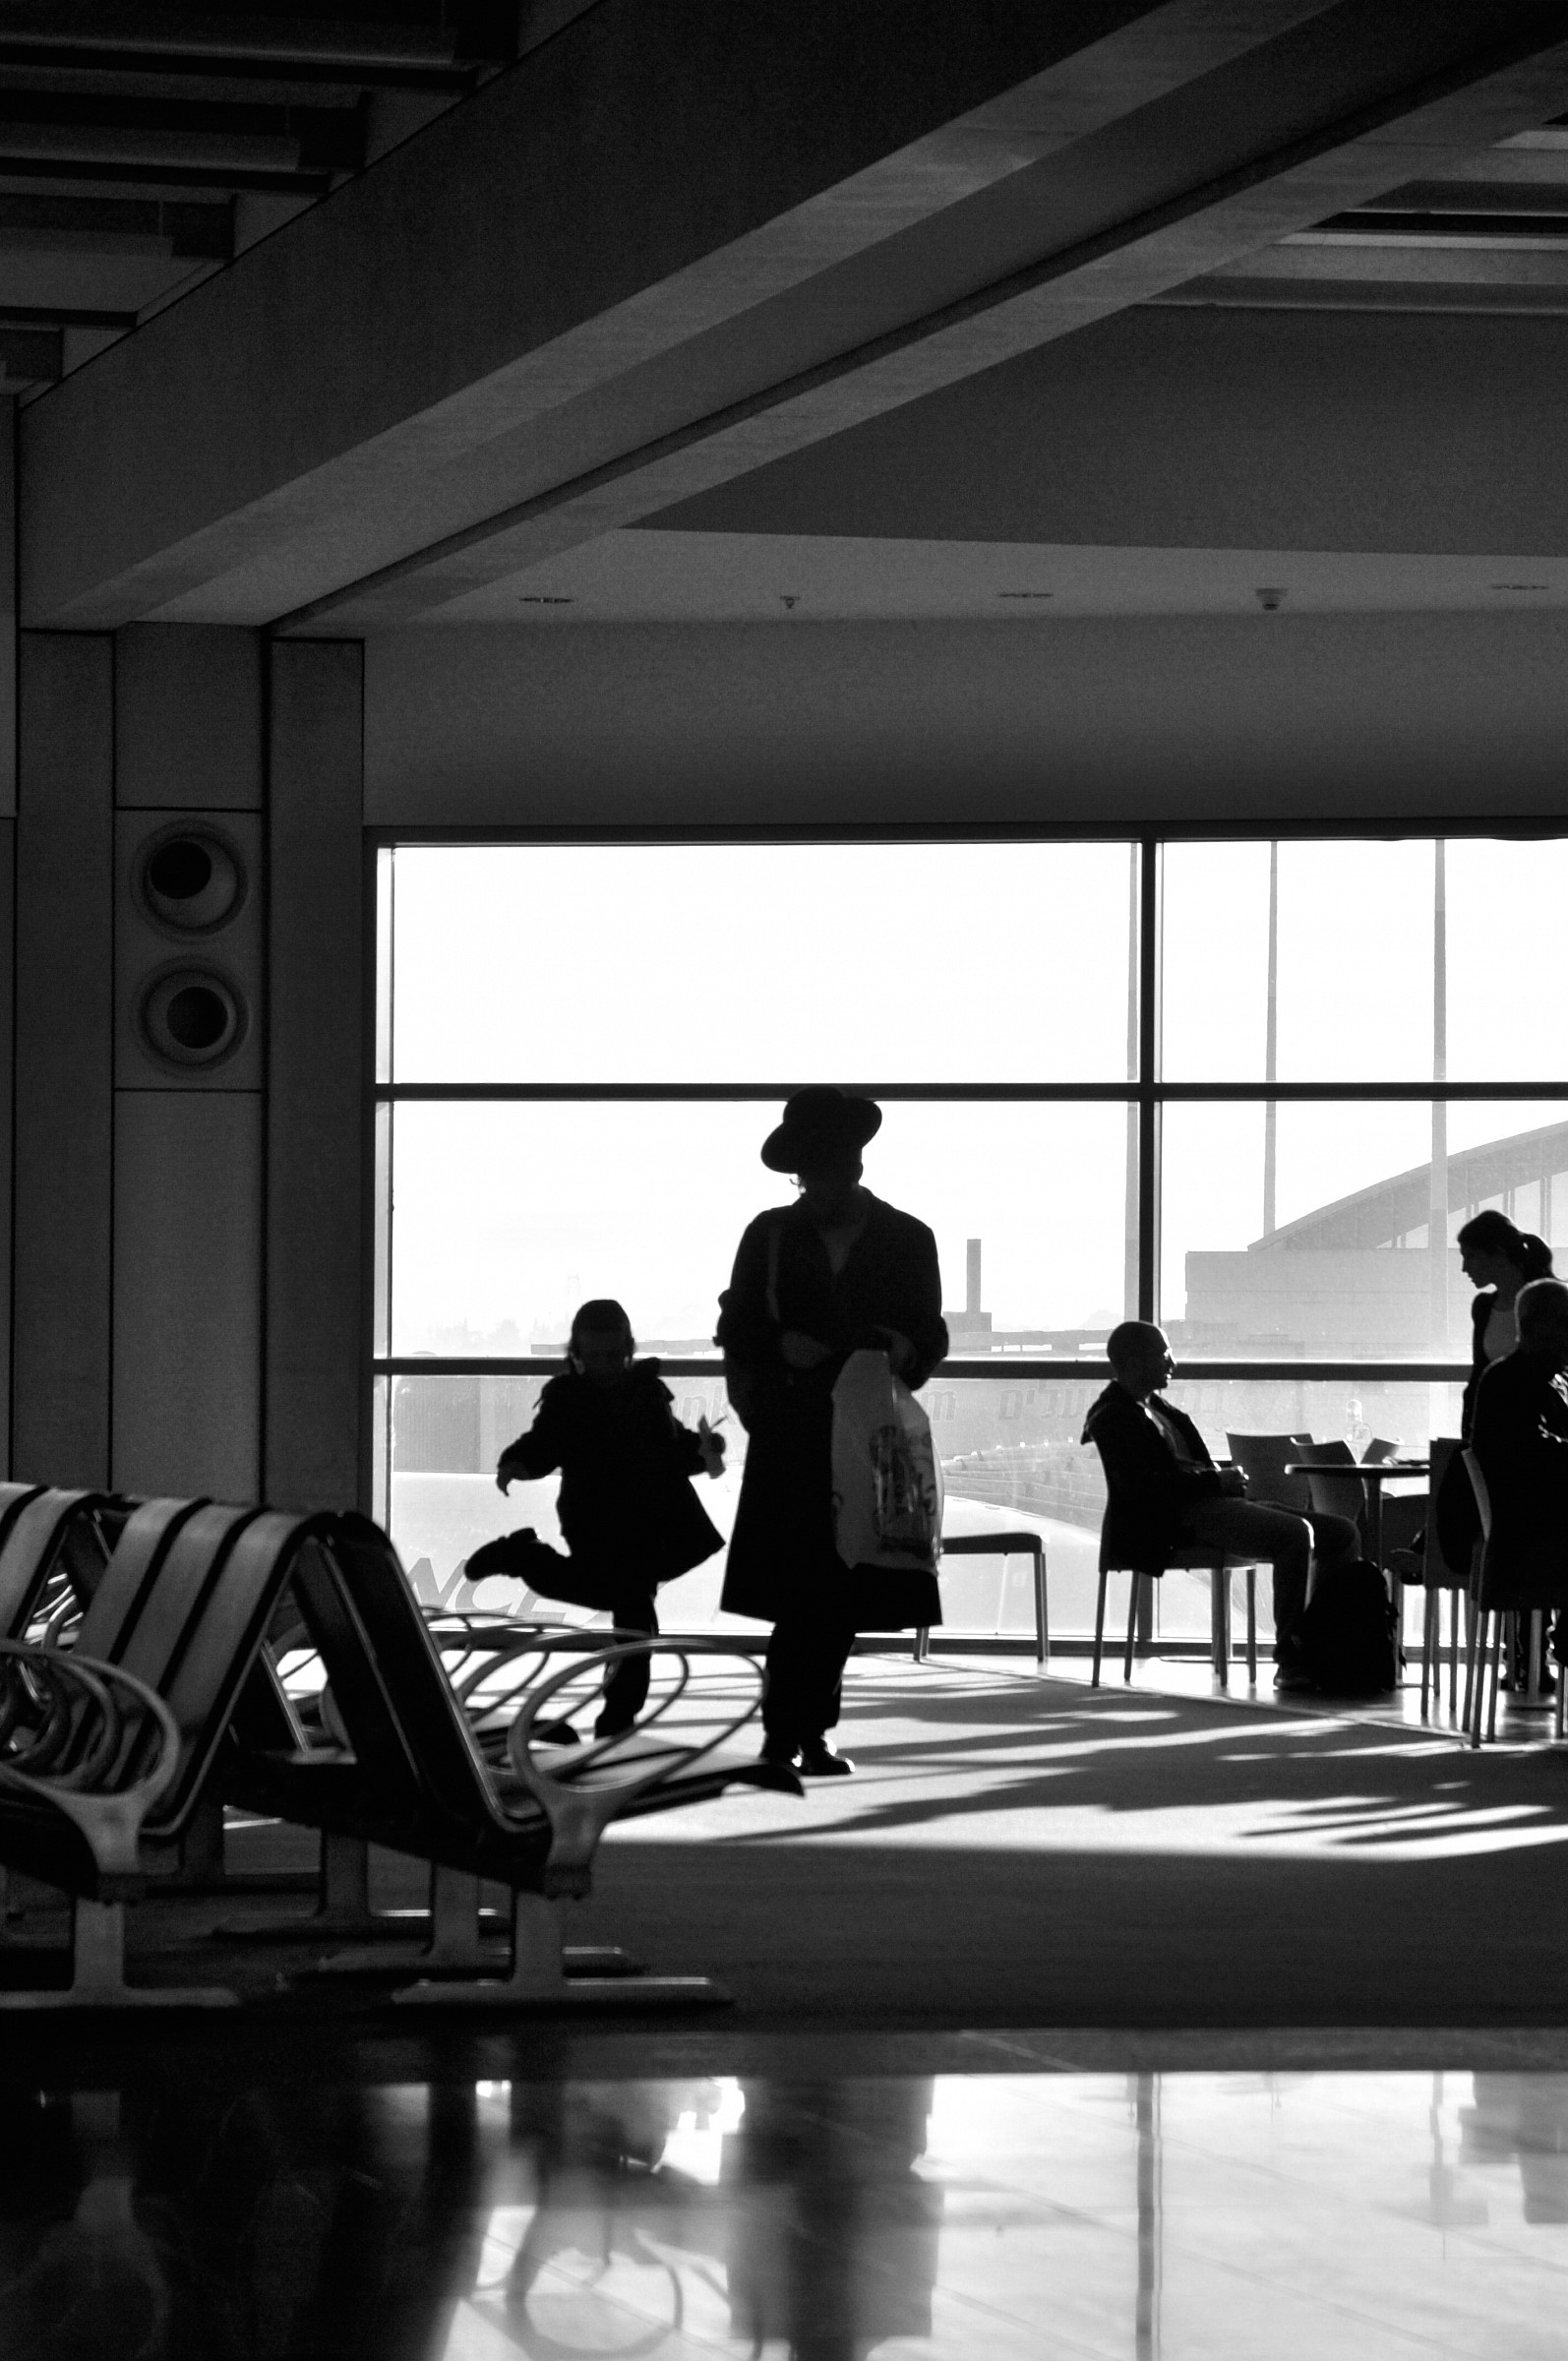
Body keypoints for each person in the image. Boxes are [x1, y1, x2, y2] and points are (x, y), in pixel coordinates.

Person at [716, 1087, 947, 1776]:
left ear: (852, 1171)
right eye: (809, 1178)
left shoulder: (897, 1237)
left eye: (824, 1176)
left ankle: (792, 1732)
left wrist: (894, 1349)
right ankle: (801, 1731)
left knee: (824, 1590)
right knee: (820, 1589)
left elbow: (926, 1334)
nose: (816, 1189)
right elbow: (742, 1326)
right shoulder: (777, 1234)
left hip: (847, 1431)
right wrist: (782, 1346)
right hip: (807, 1429)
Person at [463, 1299, 726, 1736]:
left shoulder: (645, 1392)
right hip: (598, 1519)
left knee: (630, 1609)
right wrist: (518, 1462)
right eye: (595, 1356)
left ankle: (619, 1713)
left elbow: (671, 1447)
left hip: (647, 1520)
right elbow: (544, 1443)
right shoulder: (569, 1398)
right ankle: (525, 1558)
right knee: (623, 1606)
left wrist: (703, 1450)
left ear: (626, 1352)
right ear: (578, 1355)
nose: (605, 1365)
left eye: (612, 1356)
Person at [1082, 1320, 1358, 1687]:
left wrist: (1221, 1479)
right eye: (1164, 1354)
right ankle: (1292, 1659)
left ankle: (1325, 1646)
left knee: (1342, 1531)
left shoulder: (1155, 1409)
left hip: (1210, 1506)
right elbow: (1150, 1489)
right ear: (1134, 1361)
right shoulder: (1116, 1418)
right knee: (1296, 1534)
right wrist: (1217, 1480)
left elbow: (1175, 1471)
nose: (1172, 1363)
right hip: (1180, 1520)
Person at [1470, 1276, 1568, 1625]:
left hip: (1529, 1527)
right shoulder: (1517, 1383)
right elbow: (1531, 1460)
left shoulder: (1521, 1378)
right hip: (1528, 1536)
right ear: (1536, 1327)